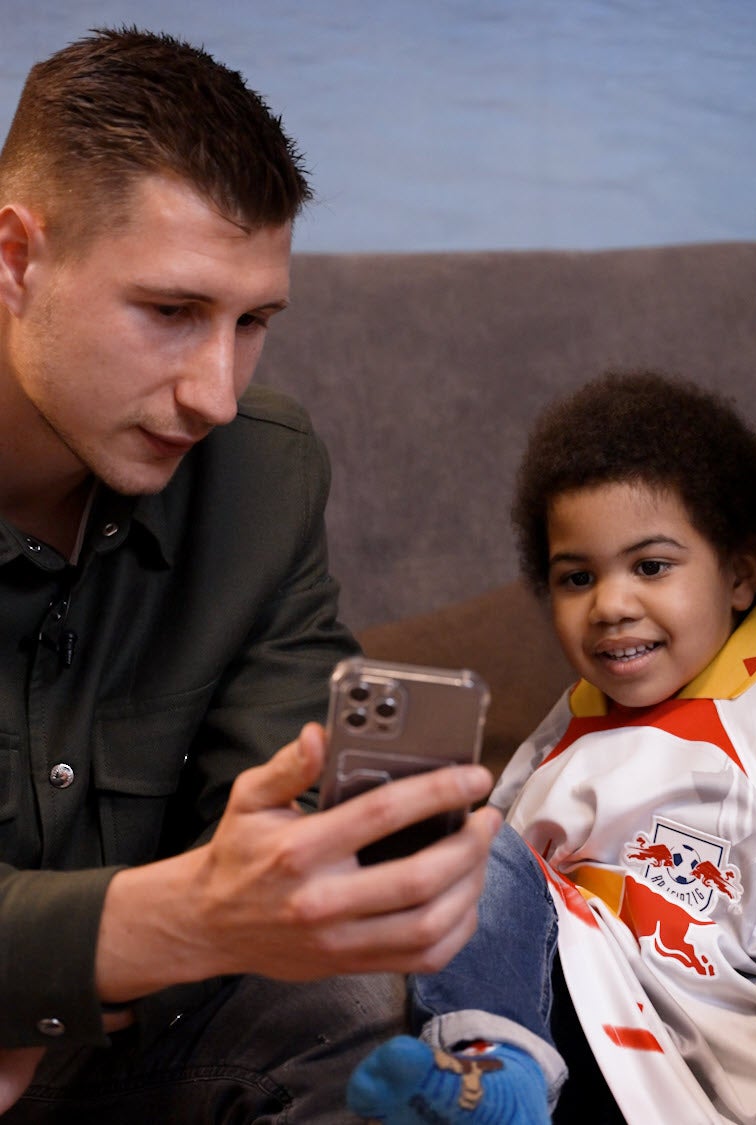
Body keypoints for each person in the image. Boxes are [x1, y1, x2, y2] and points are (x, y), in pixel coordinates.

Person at [0, 27, 500, 1121]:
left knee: (359, 994)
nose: (214, 396)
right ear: (16, 257)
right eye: (172, 313)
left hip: (131, 1055)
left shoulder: (259, 474)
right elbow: (219, 906)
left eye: (253, 323)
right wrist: (159, 926)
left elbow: (277, 836)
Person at [346, 371, 756, 1125]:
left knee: (475, 846)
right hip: (564, 1023)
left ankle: (494, 1072)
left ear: (738, 573)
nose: (612, 605)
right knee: (454, 845)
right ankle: (488, 1077)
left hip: (684, 1050)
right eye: (576, 577)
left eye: (651, 566)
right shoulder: (569, 723)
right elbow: (501, 892)